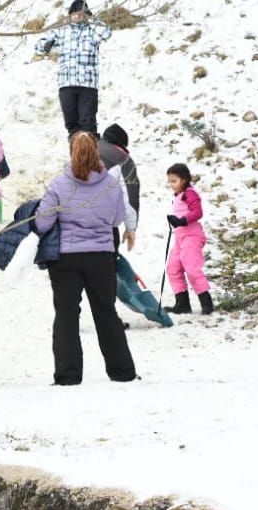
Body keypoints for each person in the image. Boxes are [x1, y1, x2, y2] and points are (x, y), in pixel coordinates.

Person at [34, 133, 139, 385]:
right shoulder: (111, 185)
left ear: (72, 153)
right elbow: (116, 220)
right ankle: (122, 372)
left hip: (65, 259)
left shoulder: (59, 185)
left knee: (66, 314)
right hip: (101, 257)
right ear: (96, 152)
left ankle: (67, 375)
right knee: (106, 312)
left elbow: (42, 222)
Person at [33, 0, 112, 137]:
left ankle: (91, 156)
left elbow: (107, 32)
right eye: (75, 12)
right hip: (66, 84)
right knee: (72, 125)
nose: (78, 15)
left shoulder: (92, 31)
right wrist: (46, 45)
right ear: (70, 14)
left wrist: (91, 19)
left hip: (87, 85)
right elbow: (39, 44)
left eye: (82, 13)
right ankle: (76, 156)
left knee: (88, 125)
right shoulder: (61, 32)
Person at [164, 163, 213, 315]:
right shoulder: (179, 196)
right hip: (181, 238)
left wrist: (182, 221)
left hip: (192, 236)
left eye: (174, 181)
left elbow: (197, 212)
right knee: (173, 267)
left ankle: (206, 303)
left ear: (184, 180)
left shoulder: (190, 193)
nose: (171, 185)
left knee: (192, 268)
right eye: (170, 181)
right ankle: (182, 303)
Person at [99, 122, 141, 253]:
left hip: (70, 224)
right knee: (109, 265)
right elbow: (130, 198)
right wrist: (130, 229)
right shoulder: (122, 159)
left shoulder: (82, 150)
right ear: (121, 145)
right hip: (102, 225)